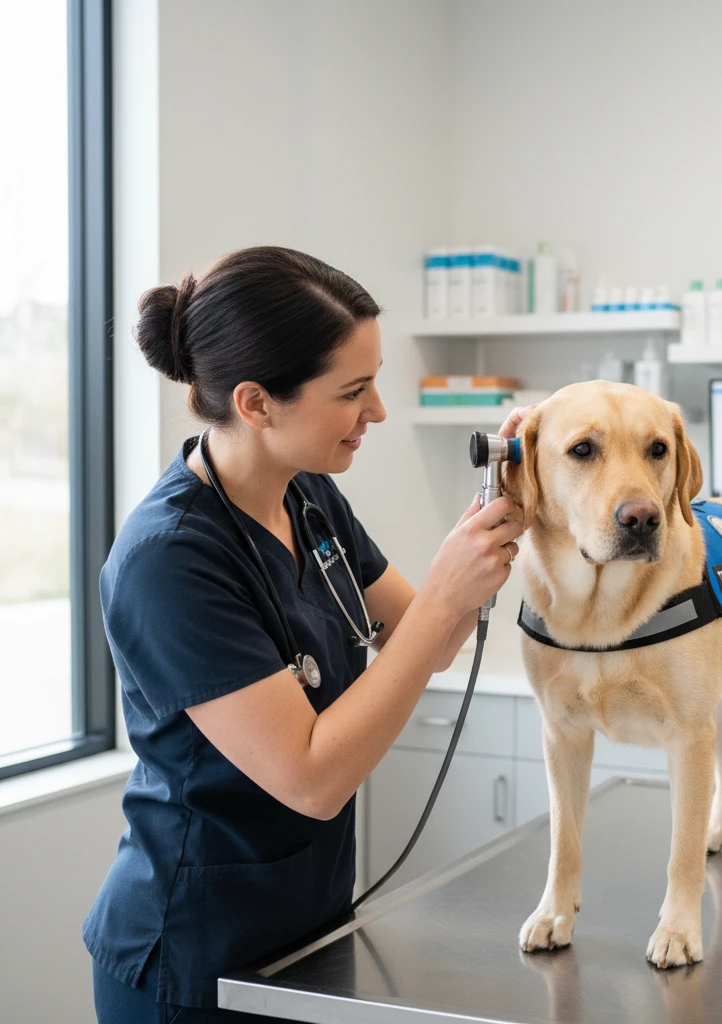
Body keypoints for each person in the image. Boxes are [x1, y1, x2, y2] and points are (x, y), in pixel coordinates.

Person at [85, 246, 527, 1022]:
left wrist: (482, 534)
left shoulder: (308, 497)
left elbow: (433, 643)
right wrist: (441, 599)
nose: (378, 411)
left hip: (308, 933)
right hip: (192, 956)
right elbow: (313, 778)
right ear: (256, 402)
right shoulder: (168, 561)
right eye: (353, 391)